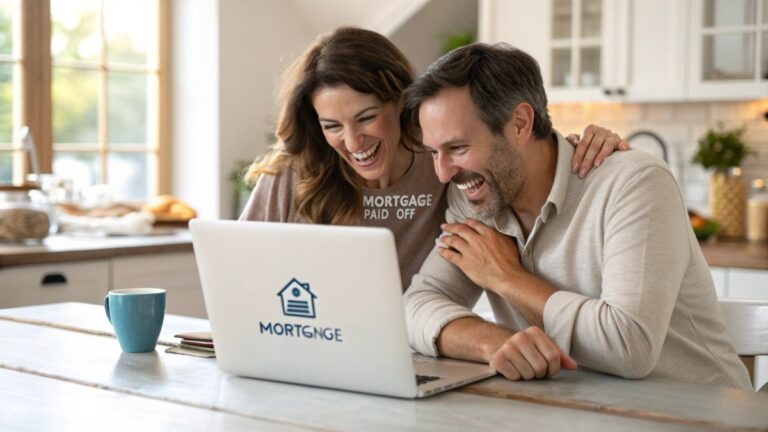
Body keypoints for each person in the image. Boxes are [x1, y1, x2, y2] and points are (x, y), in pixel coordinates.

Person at [401, 43, 752, 389]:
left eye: (458, 148)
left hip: (699, 413)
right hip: (577, 411)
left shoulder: (633, 183)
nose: (444, 173)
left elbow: (630, 347)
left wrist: (506, 277)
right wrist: (489, 342)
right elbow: (416, 305)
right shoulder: (477, 196)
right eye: (434, 152)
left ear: (520, 124)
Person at [240, 27, 627, 291]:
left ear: (402, 101)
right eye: (332, 126)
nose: (353, 141)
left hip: (413, 351)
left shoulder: (443, 163)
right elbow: (236, 275)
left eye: (367, 117)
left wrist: (580, 144)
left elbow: (520, 161)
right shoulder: (292, 176)